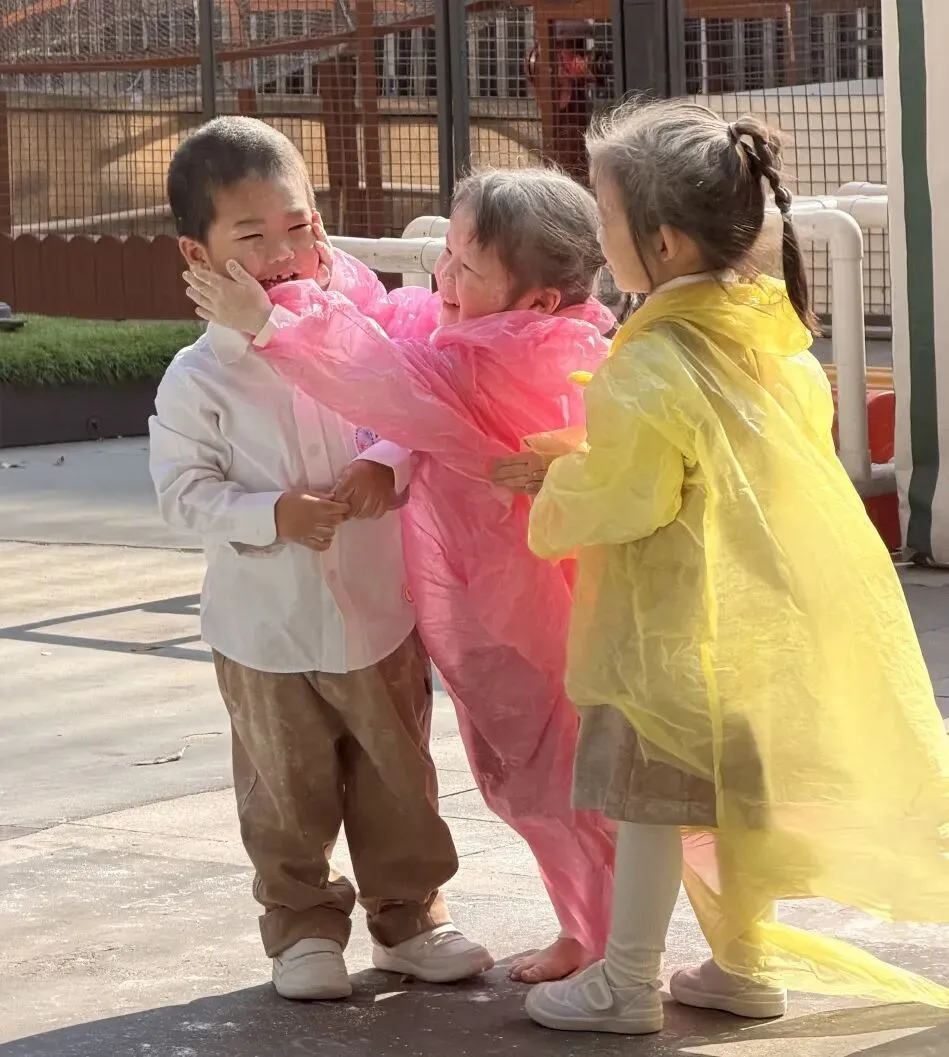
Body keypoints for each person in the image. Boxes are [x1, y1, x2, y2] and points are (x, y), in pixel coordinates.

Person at [489, 98, 949, 1035]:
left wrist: (559, 477)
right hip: (752, 631)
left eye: (605, 218)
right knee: (733, 804)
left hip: (665, 634)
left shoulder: (650, 358)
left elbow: (630, 496)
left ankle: (625, 981)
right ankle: (745, 965)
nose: (598, 236)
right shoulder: (771, 341)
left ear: (660, 241)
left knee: (650, 803)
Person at [182, 168, 618, 985]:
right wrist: (318, 266)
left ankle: (607, 942)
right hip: (503, 599)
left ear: (535, 300)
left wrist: (272, 318)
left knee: (554, 774)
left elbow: (384, 380)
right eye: (444, 254)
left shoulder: (502, 357)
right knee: (539, 775)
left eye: (466, 267)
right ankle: (589, 930)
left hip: (530, 607)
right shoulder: (512, 330)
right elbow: (386, 322)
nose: (441, 276)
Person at [148, 116, 492, 1003]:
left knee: (398, 774)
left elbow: (410, 408)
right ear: (196, 252)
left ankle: (409, 917)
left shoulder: (358, 335)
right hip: (264, 631)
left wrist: (386, 464)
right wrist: (271, 513)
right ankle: (300, 927)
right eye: (250, 236)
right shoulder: (199, 377)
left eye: (297, 227)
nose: (280, 255)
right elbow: (181, 491)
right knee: (283, 785)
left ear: (322, 226)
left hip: (377, 612)